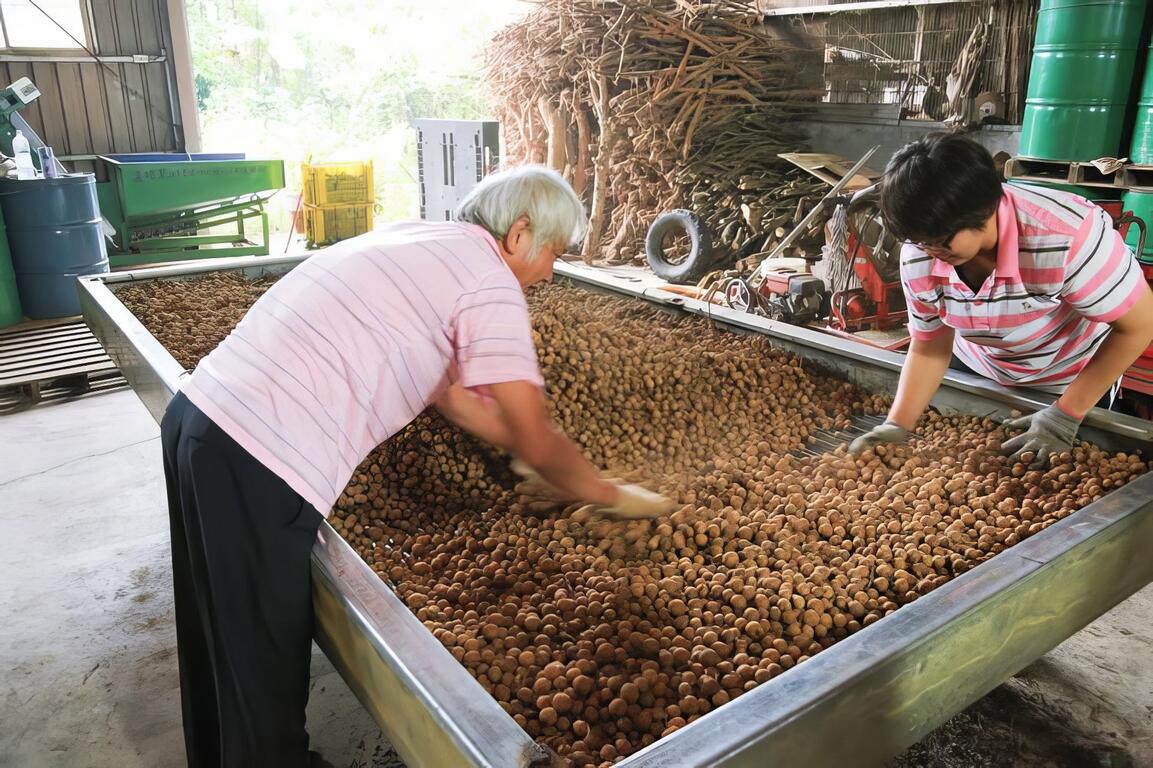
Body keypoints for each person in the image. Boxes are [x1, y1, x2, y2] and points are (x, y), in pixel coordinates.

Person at [159, 165, 674, 768]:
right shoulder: (490, 283)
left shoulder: (420, 239)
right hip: (261, 453)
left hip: (197, 418)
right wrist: (604, 492)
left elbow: (455, 398)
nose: (550, 271)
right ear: (519, 234)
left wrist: (537, 462)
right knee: (261, 653)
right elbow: (533, 432)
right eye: (553, 252)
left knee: (212, 629)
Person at [849, 133, 1153, 463]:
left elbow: (1140, 324)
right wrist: (897, 424)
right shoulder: (920, 253)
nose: (931, 251)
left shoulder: (1066, 236)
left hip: (1069, 378)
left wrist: (1064, 416)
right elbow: (930, 347)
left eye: (940, 240)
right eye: (921, 241)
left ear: (984, 209)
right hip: (981, 367)